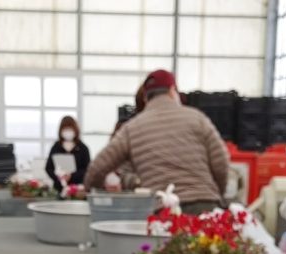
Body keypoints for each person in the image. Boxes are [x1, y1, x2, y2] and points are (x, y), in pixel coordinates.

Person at [83, 70, 228, 214]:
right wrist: (217, 193)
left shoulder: (132, 128)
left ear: (146, 98)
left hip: (164, 212)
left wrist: (95, 193)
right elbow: (221, 162)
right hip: (206, 206)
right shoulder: (198, 118)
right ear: (172, 91)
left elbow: (96, 169)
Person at [45, 116, 91, 193]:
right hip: (59, 188)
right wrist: (58, 177)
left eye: (70, 129)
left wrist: (72, 176)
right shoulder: (56, 147)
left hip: (77, 189)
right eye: (65, 129)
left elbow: (87, 169)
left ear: (75, 130)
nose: (68, 132)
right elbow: (48, 167)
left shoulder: (83, 148)